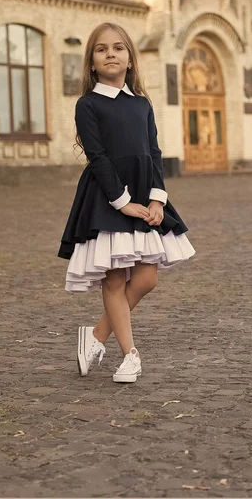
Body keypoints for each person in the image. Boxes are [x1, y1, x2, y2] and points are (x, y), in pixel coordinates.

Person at [58, 22, 195, 383]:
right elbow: (98, 156)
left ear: (130, 58)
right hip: (109, 197)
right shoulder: (88, 104)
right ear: (91, 63)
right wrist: (122, 202)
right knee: (116, 277)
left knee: (146, 279)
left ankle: (95, 336)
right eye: (101, 49)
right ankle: (130, 355)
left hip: (144, 193)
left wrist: (157, 200)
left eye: (118, 48)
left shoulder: (142, 105)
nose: (111, 54)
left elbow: (153, 153)